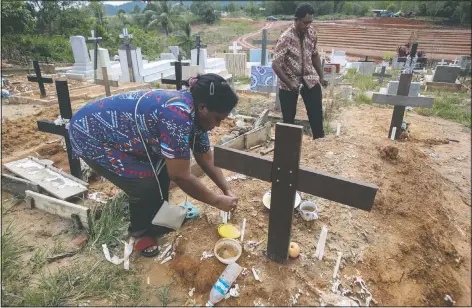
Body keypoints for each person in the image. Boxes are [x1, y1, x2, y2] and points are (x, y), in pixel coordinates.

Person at [68, 73, 239, 257]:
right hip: (90, 135)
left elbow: (205, 157)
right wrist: (215, 200)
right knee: (143, 181)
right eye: (218, 118)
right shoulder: (177, 116)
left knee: (161, 169)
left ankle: (157, 218)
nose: (219, 125)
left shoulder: (197, 116)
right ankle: (140, 233)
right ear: (203, 107)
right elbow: (180, 175)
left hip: (118, 134)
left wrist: (226, 189)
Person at [272, 3, 328, 140]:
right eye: (305, 22)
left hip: (309, 77)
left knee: (316, 110)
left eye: (310, 22)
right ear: (296, 20)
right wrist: (290, 83)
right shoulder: (286, 38)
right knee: (289, 116)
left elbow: (314, 55)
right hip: (289, 80)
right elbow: (275, 64)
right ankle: (289, 145)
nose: (308, 25)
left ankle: (319, 139)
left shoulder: (312, 34)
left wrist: (321, 76)